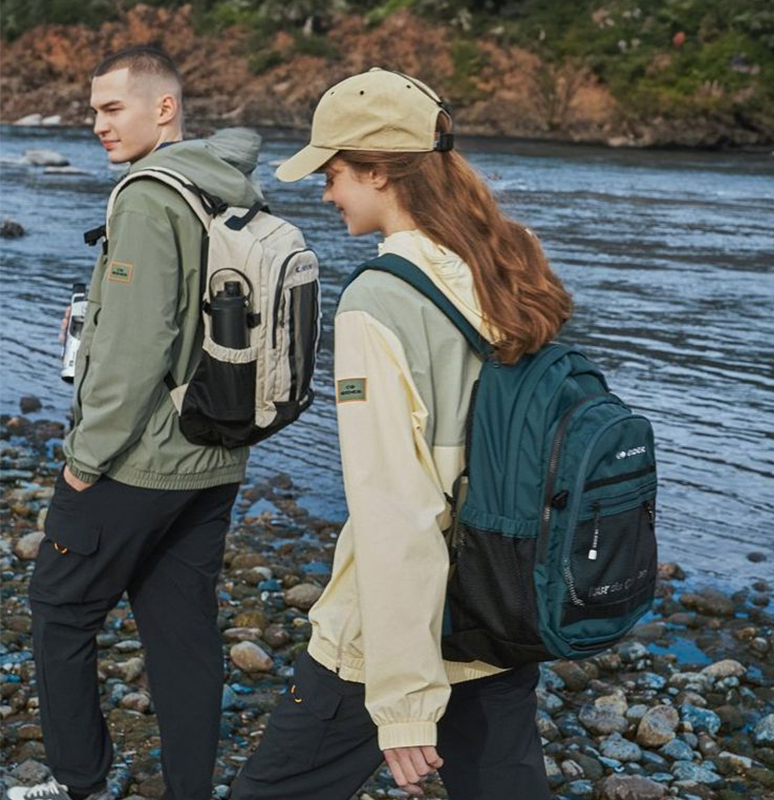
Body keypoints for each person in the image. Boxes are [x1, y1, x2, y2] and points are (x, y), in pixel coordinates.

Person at [231, 68, 572, 800]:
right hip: (503, 604)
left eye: (334, 173)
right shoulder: (509, 266)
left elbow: (398, 510)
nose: (325, 193)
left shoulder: (377, 301)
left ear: (380, 171)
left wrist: (405, 703)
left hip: (392, 637)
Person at [9, 46, 265, 800]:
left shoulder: (151, 196)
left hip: (139, 458)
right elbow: (185, 309)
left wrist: (85, 459)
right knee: (181, 630)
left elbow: (137, 349)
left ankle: (78, 781)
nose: (96, 124)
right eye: (91, 110)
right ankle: (190, 789)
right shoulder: (224, 184)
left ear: (164, 108)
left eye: (111, 108)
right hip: (216, 451)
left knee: (58, 611)